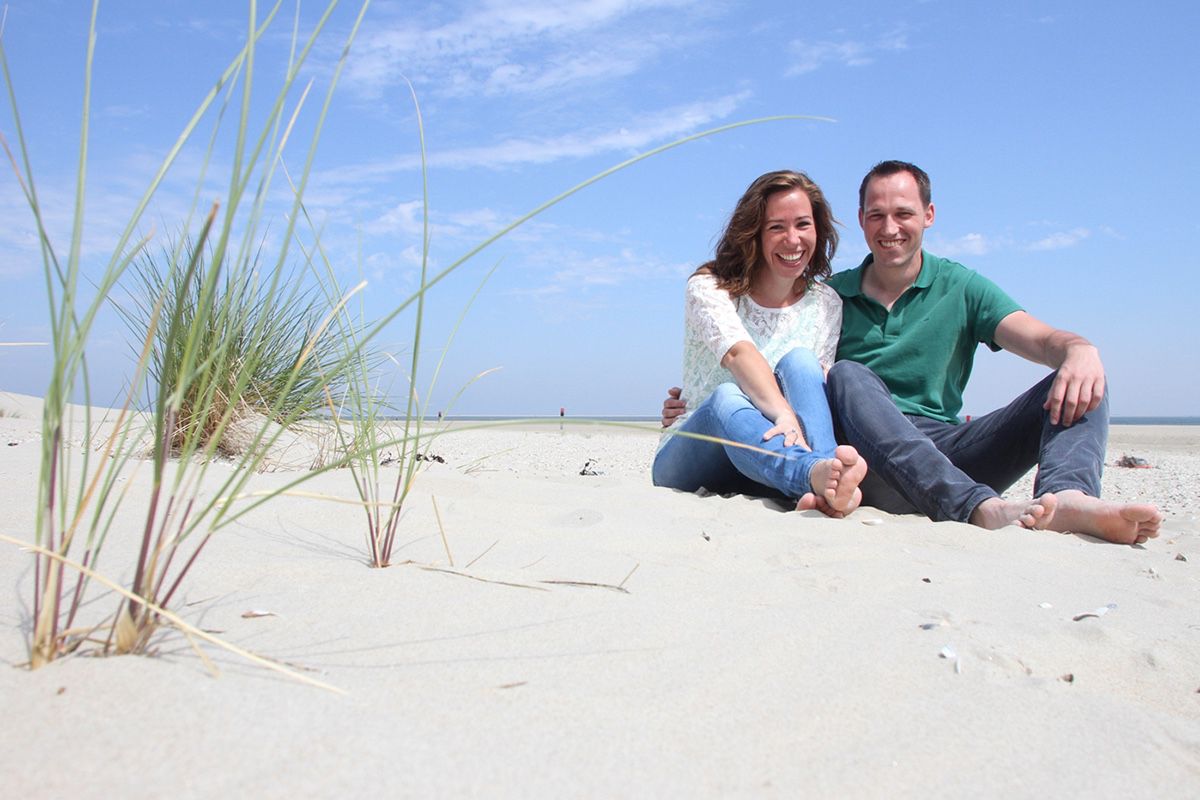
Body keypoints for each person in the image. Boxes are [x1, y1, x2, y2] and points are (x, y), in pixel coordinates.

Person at [663, 160, 1162, 545]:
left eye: (903, 213)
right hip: (870, 462)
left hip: (948, 454)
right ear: (860, 221)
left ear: (928, 215)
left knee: (1079, 376)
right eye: (877, 215)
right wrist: (699, 401)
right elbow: (772, 361)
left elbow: (1037, 337)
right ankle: (974, 509)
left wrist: (1079, 348)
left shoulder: (957, 287)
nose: (890, 227)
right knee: (849, 376)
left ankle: (1068, 497)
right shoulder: (835, 293)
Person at [651, 170, 867, 515]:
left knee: (801, 361)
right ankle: (813, 474)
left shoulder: (826, 303)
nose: (792, 240)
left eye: (802, 225)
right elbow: (739, 353)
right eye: (776, 227)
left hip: (766, 464)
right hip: (695, 454)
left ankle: (830, 476)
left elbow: (815, 385)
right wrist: (783, 413)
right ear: (754, 233)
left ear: (819, 229)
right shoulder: (710, 287)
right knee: (727, 396)